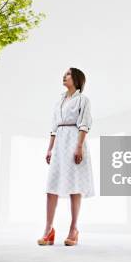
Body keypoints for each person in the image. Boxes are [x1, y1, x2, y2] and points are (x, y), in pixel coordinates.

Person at [37, 67, 95, 246]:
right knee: (51, 186)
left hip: (74, 141)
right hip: (59, 143)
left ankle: (73, 229)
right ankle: (48, 230)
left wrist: (79, 147)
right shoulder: (59, 101)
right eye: (64, 74)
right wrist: (49, 149)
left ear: (76, 79)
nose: (64, 76)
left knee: (75, 186)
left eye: (68, 74)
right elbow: (54, 127)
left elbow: (84, 124)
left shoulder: (83, 100)